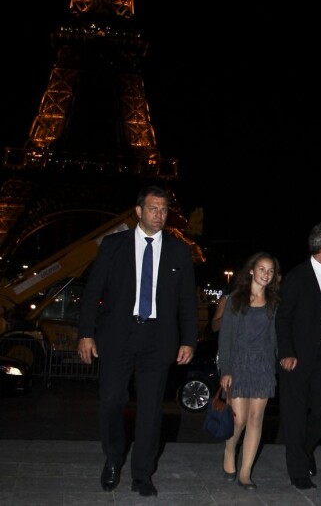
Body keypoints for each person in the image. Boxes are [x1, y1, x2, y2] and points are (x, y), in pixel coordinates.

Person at [77, 185, 197, 497]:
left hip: (158, 337)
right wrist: (86, 334)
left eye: (165, 209)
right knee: (111, 401)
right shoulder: (113, 245)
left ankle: (142, 473)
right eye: (154, 208)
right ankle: (114, 459)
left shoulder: (178, 250)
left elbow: (187, 300)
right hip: (118, 335)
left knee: (150, 410)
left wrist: (189, 340)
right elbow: (93, 293)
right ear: (139, 211)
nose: (160, 214)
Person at [276, 221, 321, 490]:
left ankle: (303, 451)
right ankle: (298, 471)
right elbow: (283, 319)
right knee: (294, 415)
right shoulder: (297, 276)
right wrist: (286, 353)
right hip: (296, 357)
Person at [218, 252, 281, 489]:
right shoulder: (235, 300)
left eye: (270, 270)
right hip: (238, 365)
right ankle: (230, 448)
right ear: (252, 271)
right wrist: (226, 369)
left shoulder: (274, 303)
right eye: (262, 269)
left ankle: (245, 473)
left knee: (256, 419)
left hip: (263, 366)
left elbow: (275, 338)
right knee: (239, 420)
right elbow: (225, 338)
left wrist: (280, 361)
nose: (266, 274)